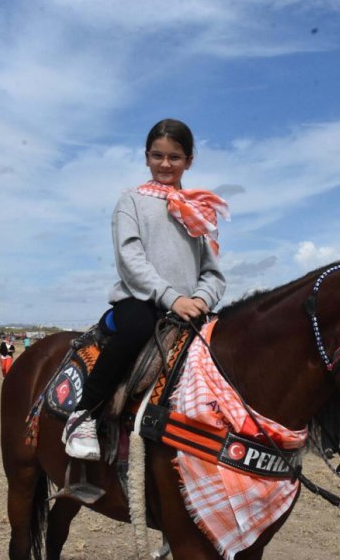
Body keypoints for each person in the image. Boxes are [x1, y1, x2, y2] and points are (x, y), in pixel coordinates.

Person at [63, 118, 228, 461]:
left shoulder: (199, 211)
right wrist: (173, 298)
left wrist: (199, 298)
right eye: (158, 156)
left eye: (175, 157)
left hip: (189, 306)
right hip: (140, 299)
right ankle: (84, 414)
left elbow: (213, 273)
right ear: (147, 157)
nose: (165, 164)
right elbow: (130, 258)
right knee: (136, 327)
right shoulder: (131, 202)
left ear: (189, 160)